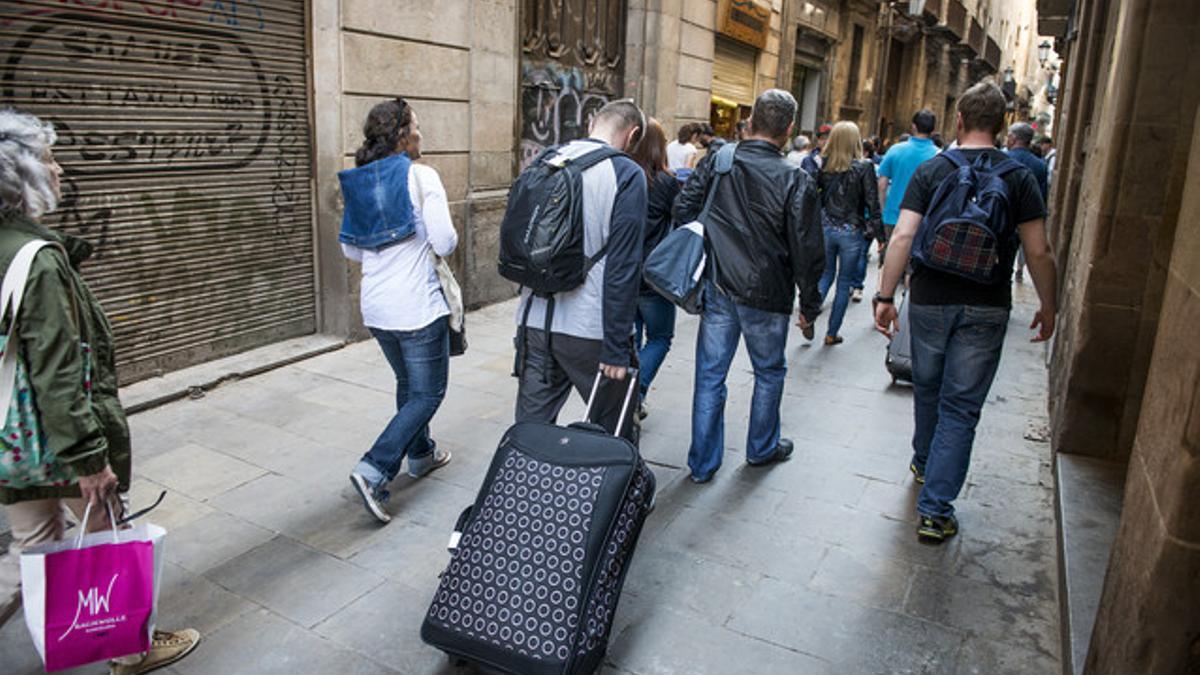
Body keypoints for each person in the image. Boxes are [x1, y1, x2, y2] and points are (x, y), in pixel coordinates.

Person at [0, 109, 200, 674]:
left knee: (31, 548)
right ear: (21, 178)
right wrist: (91, 459)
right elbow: (60, 369)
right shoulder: (36, 261)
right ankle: (129, 648)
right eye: (47, 160)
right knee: (104, 533)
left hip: (9, 440)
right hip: (55, 440)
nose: (59, 169)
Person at [873, 82, 1058, 544]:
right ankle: (935, 512)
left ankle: (923, 462)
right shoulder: (1020, 178)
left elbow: (902, 237)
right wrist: (1049, 305)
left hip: (931, 298)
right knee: (962, 407)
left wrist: (885, 296)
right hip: (987, 305)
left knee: (928, 388)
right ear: (1001, 125)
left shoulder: (934, 169)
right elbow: (1039, 251)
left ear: (958, 120)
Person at [674, 89, 824, 483]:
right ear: (789, 129)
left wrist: (713, 242)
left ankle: (703, 464)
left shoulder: (719, 162)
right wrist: (810, 303)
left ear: (751, 120)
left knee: (710, 375)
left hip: (719, 286)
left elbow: (683, 210)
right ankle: (761, 448)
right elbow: (807, 250)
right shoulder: (797, 179)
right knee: (769, 372)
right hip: (769, 292)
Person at [343, 99, 458, 524]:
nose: (422, 133)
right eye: (418, 126)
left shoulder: (358, 180)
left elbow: (350, 248)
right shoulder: (421, 175)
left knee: (408, 382)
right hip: (415, 303)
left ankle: (422, 454)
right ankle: (374, 469)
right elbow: (444, 241)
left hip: (375, 305)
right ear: (402, 134)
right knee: (428, 393)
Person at [513, 99, 647, 442]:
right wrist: (617, 347)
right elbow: (623, 266)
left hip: (534, 320)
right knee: (613, 432)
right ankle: (606, 495)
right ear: (632, 136)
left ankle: (523, 491)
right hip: (590, 329)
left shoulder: (546, 159)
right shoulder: (626, 174)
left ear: (592, 123)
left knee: (531, 432)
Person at [628, 117, 681, 418]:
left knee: (631, 336)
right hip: (654, 276)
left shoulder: (622, 175)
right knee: (660, 338)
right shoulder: (666, 182)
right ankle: (636, 392)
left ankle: (633, 394)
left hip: (624, 273)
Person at [815, 121, 882, 345]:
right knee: (844, 284)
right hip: (851, 231)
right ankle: (832, 333)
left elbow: (816, 197)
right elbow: (873, 203)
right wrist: (881, 237)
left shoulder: (824, 164)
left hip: (826, 228)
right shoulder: (864, 167)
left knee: (825, 275)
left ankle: (809, 314)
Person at [878, 109, 939, 263]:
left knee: (888, 262)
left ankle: (883, 287)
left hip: (892, 215)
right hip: (922, 220)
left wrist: (882, 209)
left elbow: (882, 184)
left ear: (913, 126)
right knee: (912, 267)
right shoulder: (939, 156)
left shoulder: (895, 150)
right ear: (933, 130)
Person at [1005, 122, 1049, 282]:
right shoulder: (1040, 165)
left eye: (1008, 136)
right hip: (1026, 218)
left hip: (1004, 218)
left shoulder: (1002, 159)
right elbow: (1042, 197)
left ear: (1013, 138)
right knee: (1023, 247)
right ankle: (1020, 269)